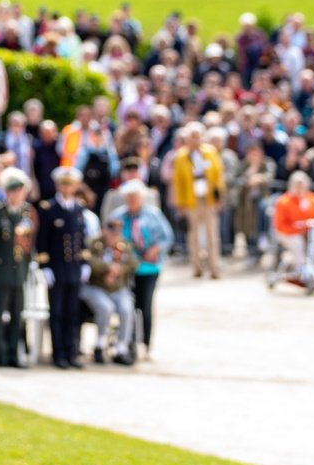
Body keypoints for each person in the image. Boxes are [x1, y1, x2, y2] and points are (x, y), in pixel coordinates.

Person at [110, 178, 173, 359]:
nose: (132, 201)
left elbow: (166, 237)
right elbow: (109, 239)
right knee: (127, 304)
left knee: (145, 305)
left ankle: (145, 342)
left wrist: (156, 248)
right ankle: (127, 340)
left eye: (135, 197)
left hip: (148, 268)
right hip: (126, 268)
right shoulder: (118, 216)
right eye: (128, 197)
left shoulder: (152, 215)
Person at [36, 165, 88, 369]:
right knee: (57, 312)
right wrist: (45, 266)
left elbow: (81, 239)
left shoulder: (78, 208)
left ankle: (71, 351)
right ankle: (58, 353)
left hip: (74, 268)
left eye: (70, 184)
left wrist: (84, 263)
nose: (67, 188)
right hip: (56, 268)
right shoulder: (48, 208)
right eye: (63, 184)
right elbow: (42, 240)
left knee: (72, 312)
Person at [0, 168, 33, 367]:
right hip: (0, 271)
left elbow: (28, 245)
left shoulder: (26, 214)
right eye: (13, 191)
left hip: (18, 272)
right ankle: (1, 354)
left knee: (17, 315)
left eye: (20, 191)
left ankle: (14, 354)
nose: (16, 195)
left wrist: (27, 266)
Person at [171, 123, 225, 279]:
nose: (195, 140)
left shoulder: (210, 152)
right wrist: (180, 203)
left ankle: (214, 268)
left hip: (208, 199)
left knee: (212, 235)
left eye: (197, 136)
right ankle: (197, 267)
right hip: (191, 199)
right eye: (191, 136)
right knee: (192, 235)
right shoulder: (181, 156)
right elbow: (178, 182)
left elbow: (218, 176)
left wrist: (219, 197)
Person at [82, 219, 136, 365]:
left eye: (116, 234)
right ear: (104, 230)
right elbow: (89, 260)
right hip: (96, 285)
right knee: (105, 307)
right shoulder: (94, 243)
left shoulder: (124, 245)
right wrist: (107, 268)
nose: (113, 236)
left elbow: (132, 263)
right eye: (111, 233)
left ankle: (122, 347)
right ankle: (100, 343)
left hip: (117, 287)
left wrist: (118, 270)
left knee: (126, 309)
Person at [272, 170, 314, 279]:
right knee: (297, 242)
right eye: (297, 185)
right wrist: (298, 230)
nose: (300, 188)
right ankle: (299, 270)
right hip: (289, 234)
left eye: (302, 185)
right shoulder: (283, 201)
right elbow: (280, 225)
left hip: (310, 233)